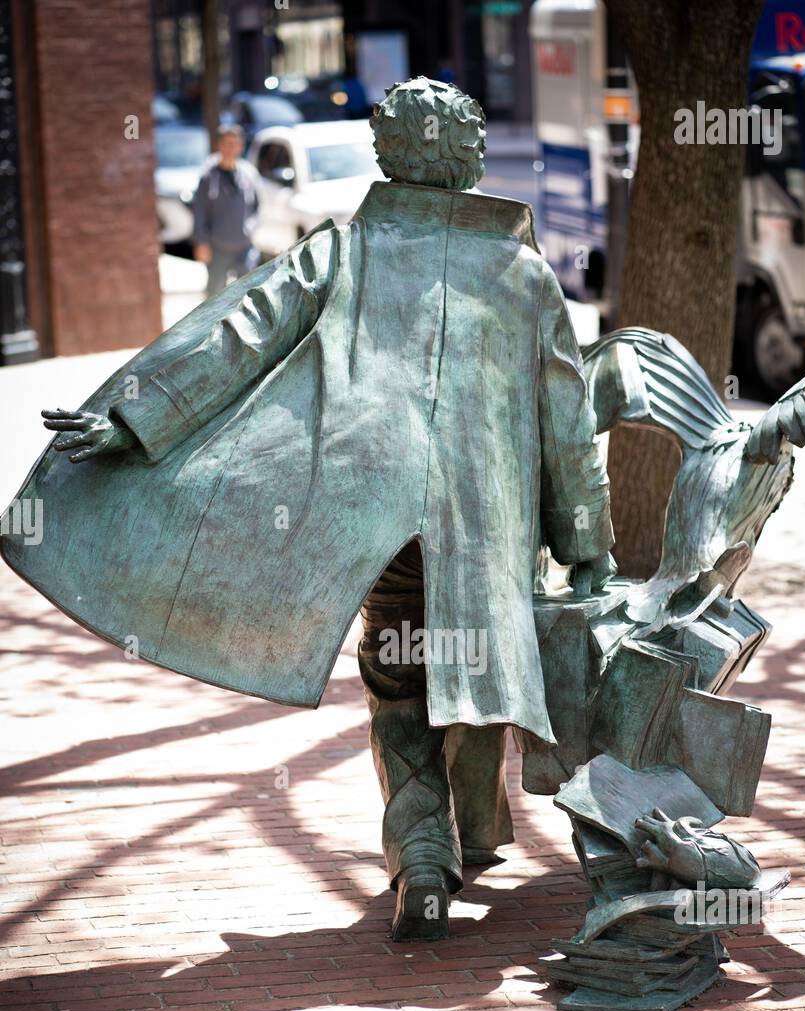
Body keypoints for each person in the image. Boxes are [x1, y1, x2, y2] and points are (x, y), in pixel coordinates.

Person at [36, 77, 614, 942]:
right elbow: (567, 423)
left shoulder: (344, 248)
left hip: (375, 526)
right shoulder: (523, 274)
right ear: (463, 161)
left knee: (397, 680)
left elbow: (240, 334)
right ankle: (464, 841)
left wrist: (137, 416)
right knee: (483, 674)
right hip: (485, 529)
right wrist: (586, 539)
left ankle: (425, 852)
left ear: (391, 157)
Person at [192, 123, 261, 295]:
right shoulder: (208, 177)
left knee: (248, 295)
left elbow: (256, 208)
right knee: (215, 297)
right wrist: (201, 242)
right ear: (219, 145)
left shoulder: (247, 174)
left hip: (244, 247)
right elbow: (199, 212)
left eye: (236, 144)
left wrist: (251, 229)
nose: (231, 148)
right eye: (227, 144)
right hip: (217, 249)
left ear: (241, 146)